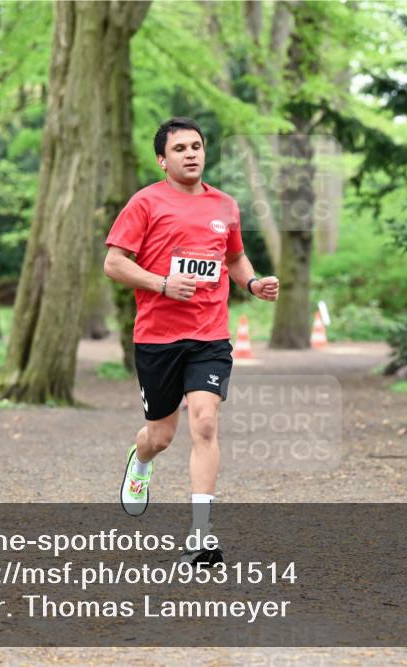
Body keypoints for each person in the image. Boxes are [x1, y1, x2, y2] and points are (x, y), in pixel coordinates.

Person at [104, 117, 279, 565]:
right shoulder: (145, 203)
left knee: (205, 423)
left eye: (196, 146)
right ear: (163, 160)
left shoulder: (225, 205)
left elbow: (235, 257)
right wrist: (162, 284)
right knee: (161, 436)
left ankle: (201, 537)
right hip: (158, 337)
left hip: (209, 336)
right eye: (179, 148)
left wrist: (253, 283)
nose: (190, 153)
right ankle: (140, 460)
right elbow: (114, 264)